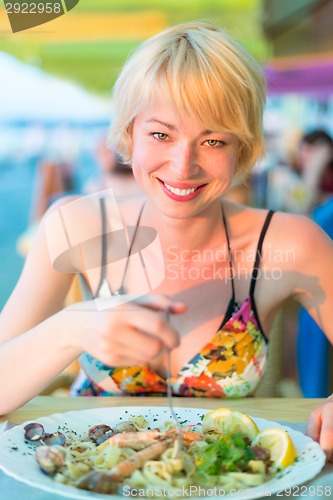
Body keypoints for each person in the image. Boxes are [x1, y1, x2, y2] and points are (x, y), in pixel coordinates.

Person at [0, 22, 332, 460]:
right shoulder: (77, 225)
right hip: (87, 475)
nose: (183, 165)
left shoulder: (289, 242)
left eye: (213, 140)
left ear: (244, 149)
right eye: (161, 134)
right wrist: (71, 327)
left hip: (224, 480)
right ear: (128, 133)